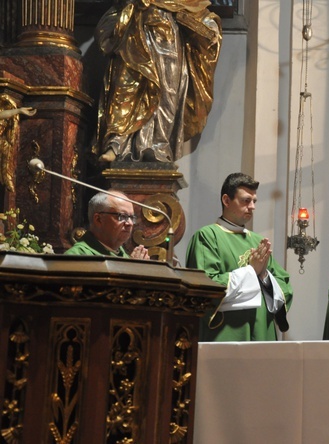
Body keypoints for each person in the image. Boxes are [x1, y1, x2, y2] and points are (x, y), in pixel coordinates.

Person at [94, 0, 222, 163]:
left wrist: (209, 26)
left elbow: (197, 8)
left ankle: (156, 147)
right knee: (125, 88)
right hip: (134, 34)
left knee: (165, 95)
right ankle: (117, 143)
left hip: (167, 41)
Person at [186, 172, 292, 341]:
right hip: (226, 332)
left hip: (261, 331)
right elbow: (205, 287)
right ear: (226, 200)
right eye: (246, 200)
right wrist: (251, 271)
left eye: (254, 201)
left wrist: (264, 276)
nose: (252, 207)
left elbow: (284, 286)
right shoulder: (208, 236)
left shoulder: (258, 241)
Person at [65, 191, 150, 259]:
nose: (130, 223)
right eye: (122, 216)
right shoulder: (76, 256)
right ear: (98, 219)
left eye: (131, 217)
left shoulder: (123, 256)